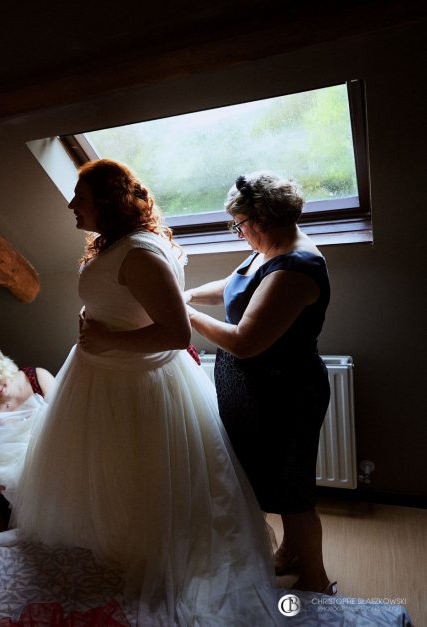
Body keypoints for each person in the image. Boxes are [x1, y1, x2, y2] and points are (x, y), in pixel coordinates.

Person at [7, 159, 282, 625]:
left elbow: (177, 334)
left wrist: (107, 338)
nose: (72, 205)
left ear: (107, 204)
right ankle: (111, 552)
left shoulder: (140, 253)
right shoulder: (115, 244)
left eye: (82, 198)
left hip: (133, 383)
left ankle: (144, 558)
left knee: (139, 475)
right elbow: (126, 299)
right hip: (102, 372)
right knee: (105, 472)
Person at [184, 172, 335, 595]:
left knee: (293, 489)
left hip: (284, 392)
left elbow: (244, 342)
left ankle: (317, 579)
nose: (239, 233)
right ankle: (288, 552)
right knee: (267, 481)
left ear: (261, 219)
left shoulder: (296, 269)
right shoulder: (270, 250)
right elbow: (237, 287)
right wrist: (190, 294)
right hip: (255, 389)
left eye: (240, 224)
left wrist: (183, 315)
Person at [0, 347, 56, 508]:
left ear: (4, 367)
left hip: (60, 447)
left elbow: (66, 414)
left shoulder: (37, 377)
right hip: (29, 476)